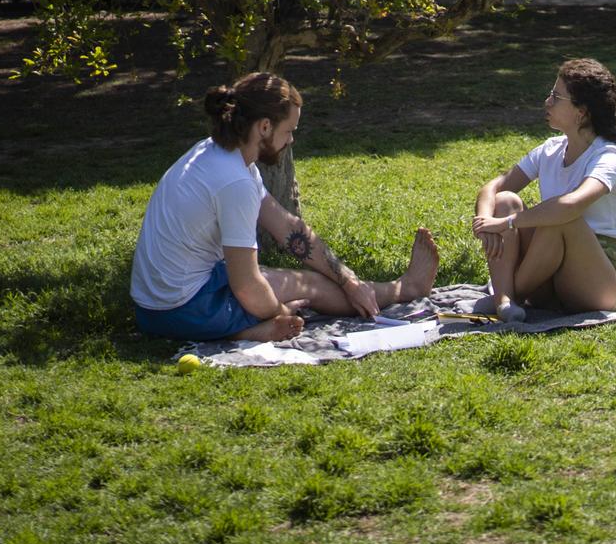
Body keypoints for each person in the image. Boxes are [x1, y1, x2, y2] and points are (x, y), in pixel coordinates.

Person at [130, 73, 440, 342]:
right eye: (289, 130)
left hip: (153, 308)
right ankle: (405, 289)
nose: (291, 140)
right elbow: (248, 285)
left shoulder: (218, 153)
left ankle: (245, 330)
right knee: (309, 287)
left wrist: (348, 279)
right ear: (264, 126)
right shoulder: (234, 182)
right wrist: (279, 311)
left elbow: (287, 227)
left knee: (291, 279)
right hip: (183, 310)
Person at [470, 58, 616, 321]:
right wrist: (486, 224)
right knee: (506, 200)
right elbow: (493, 188)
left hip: (605, 283)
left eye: (556, 96)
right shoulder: (550, 149)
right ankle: (505, 301)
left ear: (581, 112)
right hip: (554, 276)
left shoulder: (608, 156)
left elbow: (571, 206)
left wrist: (505, 224)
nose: (547, 102)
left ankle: (506, 296)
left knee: (562, 219)